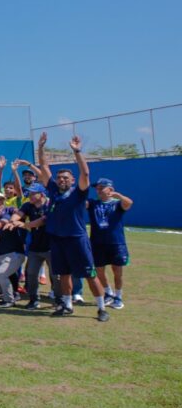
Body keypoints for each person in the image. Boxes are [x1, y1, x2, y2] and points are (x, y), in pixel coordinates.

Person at [36, 133, 109, 322]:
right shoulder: (53, 190)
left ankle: (101, 308)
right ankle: (67, 305)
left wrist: (77, 151)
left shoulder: (79, 193)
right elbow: (44, 167)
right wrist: (41, 148)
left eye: (66, 178)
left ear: (73, 180)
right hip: (57, 239)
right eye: (59, 178)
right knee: (63, 274)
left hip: (76, 239)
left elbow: (85, 173)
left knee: (90, 274)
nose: (61, 180)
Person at [89, 178, 133, 310]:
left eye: (101, 188)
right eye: (97, 188)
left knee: (117, 271)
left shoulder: (117, 204)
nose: (98, 190)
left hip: (116, 243)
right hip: (97, 243)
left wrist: (118, 195)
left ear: (110, 189)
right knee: (99, 270)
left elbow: (129, 203)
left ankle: (118, 297)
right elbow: (81, 203)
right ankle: (108, 292)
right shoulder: (93, 203)